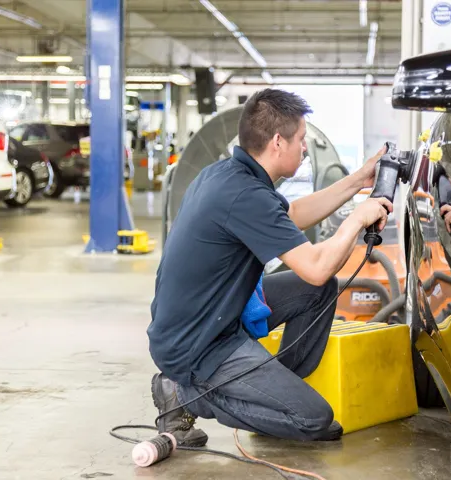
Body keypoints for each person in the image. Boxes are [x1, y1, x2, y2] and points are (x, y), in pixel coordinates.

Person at [147, 88, 393, 446]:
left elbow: (291, 216)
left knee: (317, 293)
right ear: (278, 142)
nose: (305, 147)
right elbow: (316, 266)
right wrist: (356, 220)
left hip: (206, 321)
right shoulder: (245, 196)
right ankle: (182, 392)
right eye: (301, 139)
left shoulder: (226, 175)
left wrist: (358, 180)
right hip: (198, 345)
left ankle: (270, 386)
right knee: (313, 419)